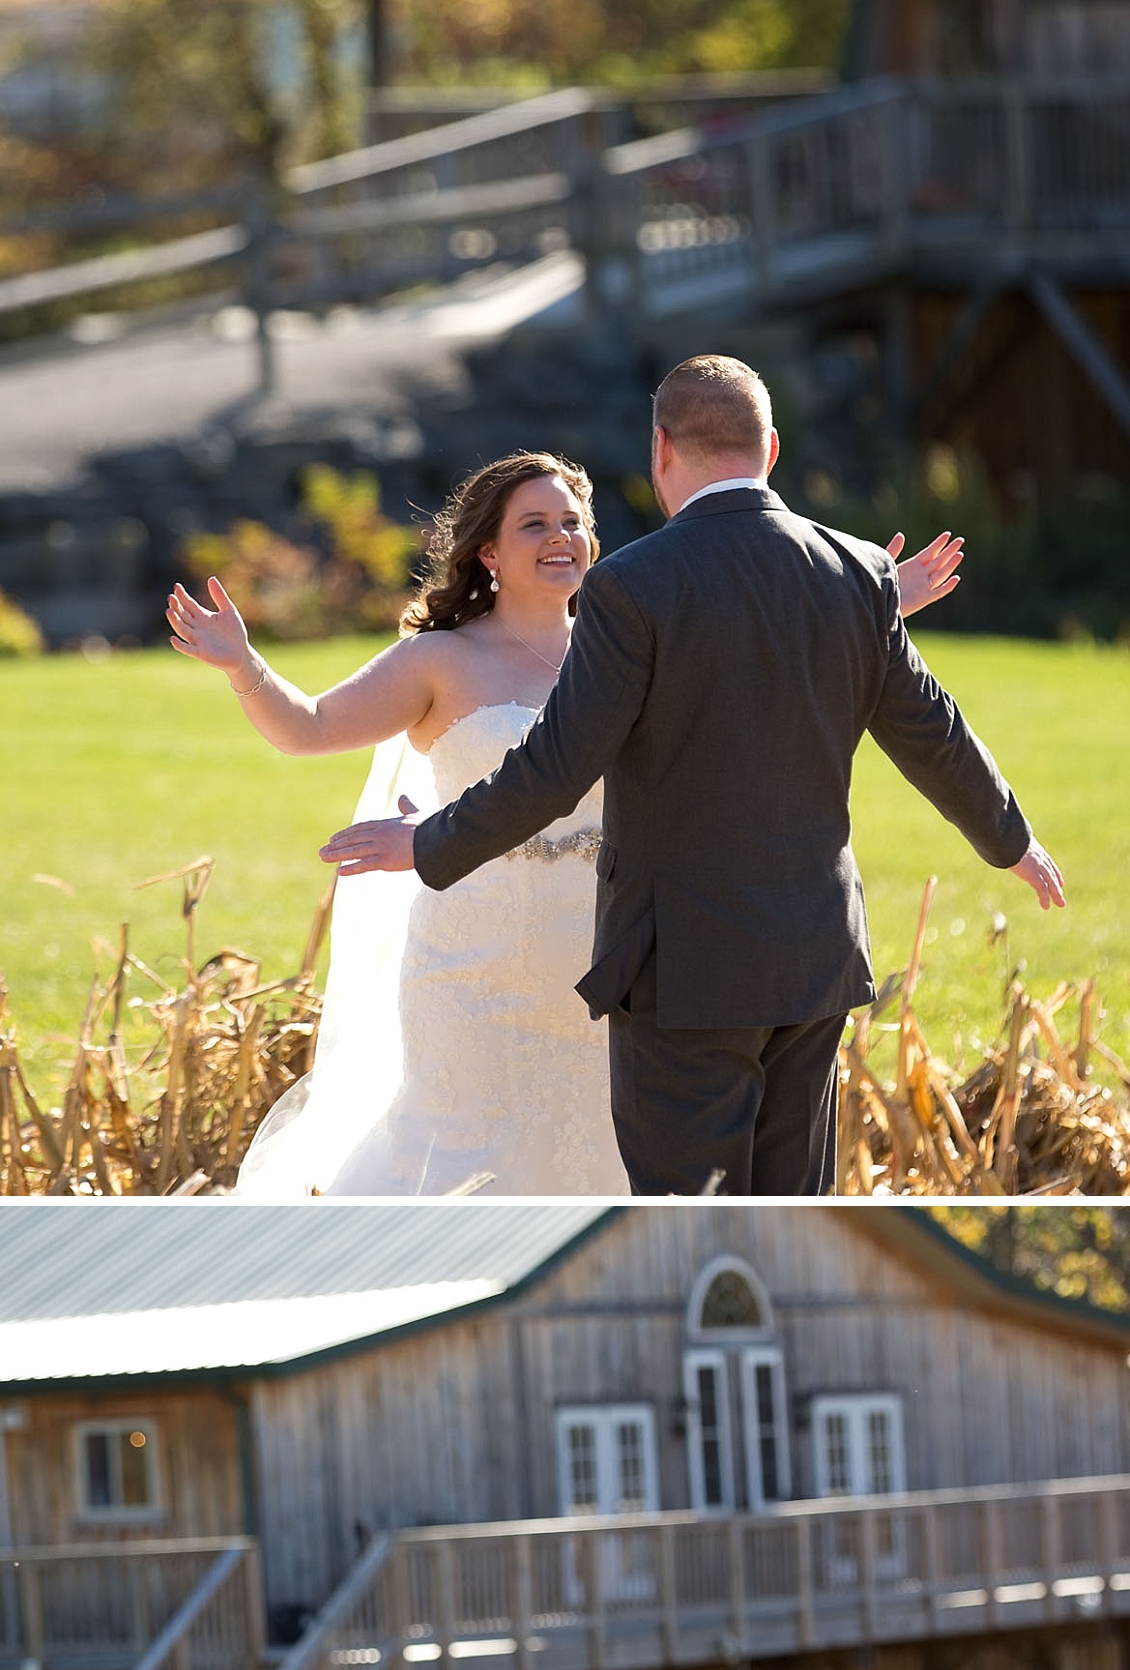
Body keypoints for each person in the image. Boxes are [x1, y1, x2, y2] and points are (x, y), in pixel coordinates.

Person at [322, 354, 1064, 1198]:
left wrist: (430, 844)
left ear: (661, 452)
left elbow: (554, 769)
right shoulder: (860, 573)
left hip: (684, 971)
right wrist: (1012, 839)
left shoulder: (631, 586)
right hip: (814, 962)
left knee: (688, 1226)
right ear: (772, 449)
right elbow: (932, 730)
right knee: (791, 1217)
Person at [165, 445, 964, 1196]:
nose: (562, 537)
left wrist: (874, 600)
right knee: (460, 1160)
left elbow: (764, 675)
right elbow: (308, 727)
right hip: (472, 974)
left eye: (574, 522)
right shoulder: (440, 660)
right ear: (489, 553)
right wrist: (243, 664)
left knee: (611, 1166)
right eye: (535, 524)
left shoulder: (630, 642)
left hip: (611, 964)